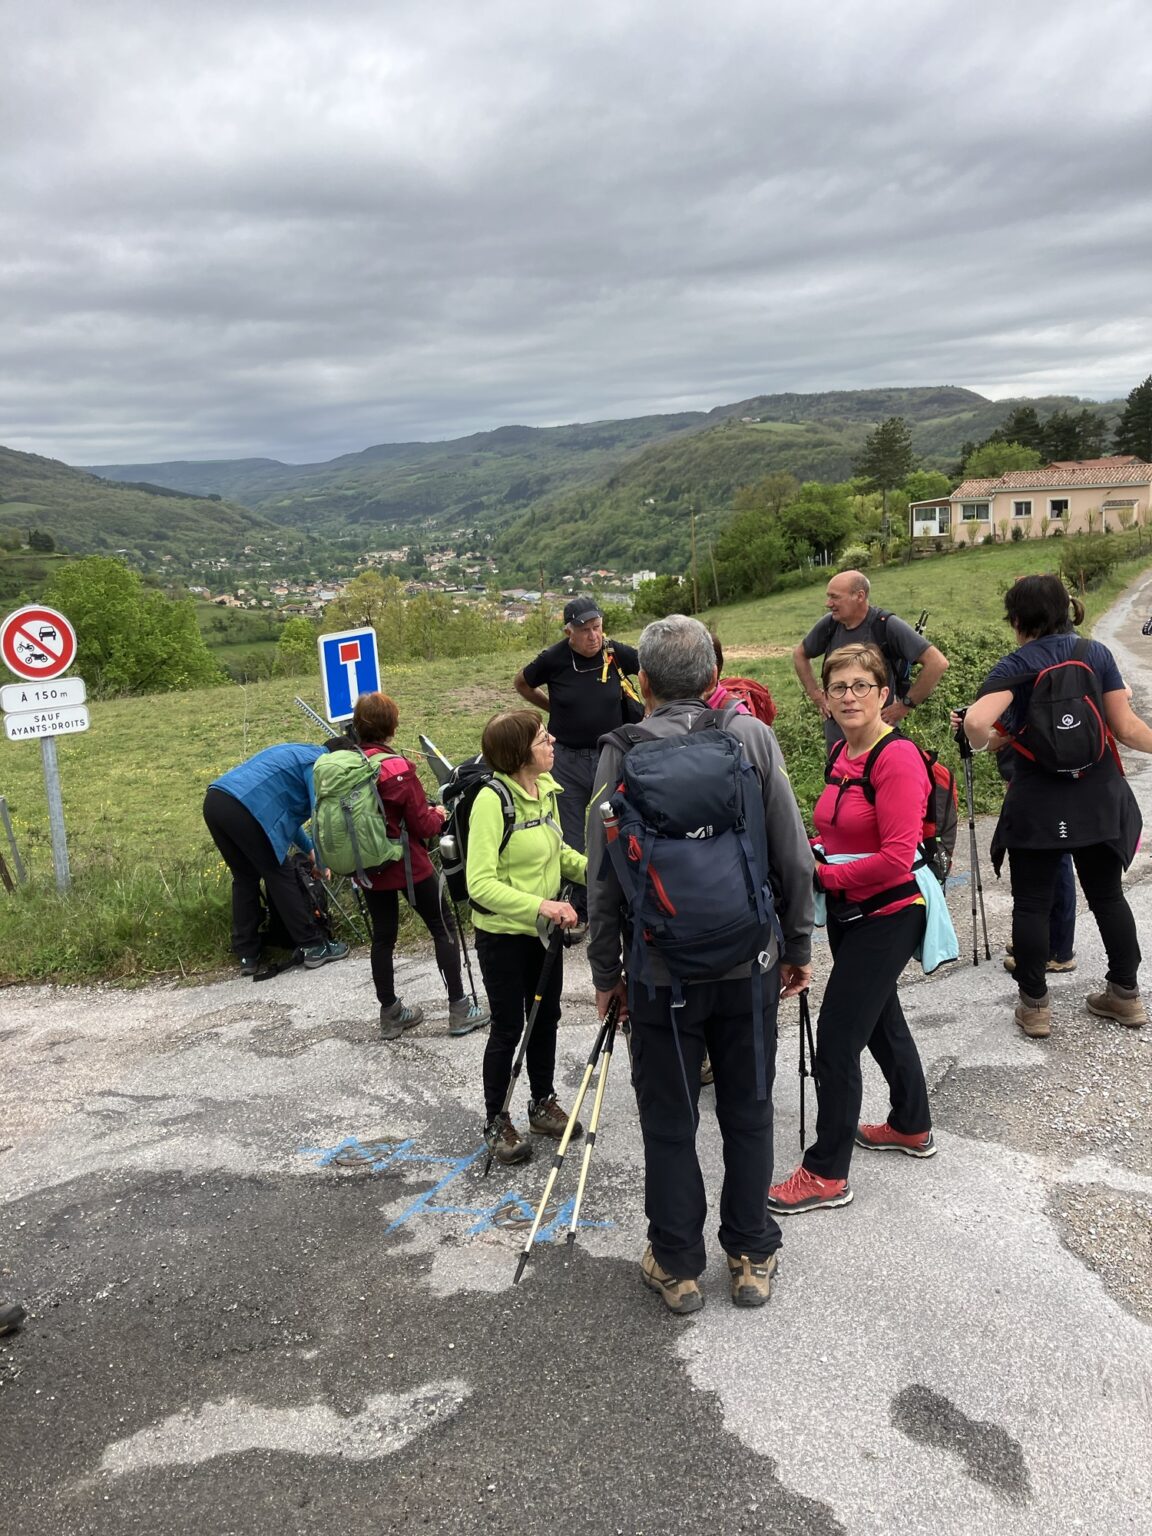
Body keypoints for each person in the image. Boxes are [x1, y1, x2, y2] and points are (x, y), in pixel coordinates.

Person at [586, 615, 813, 1314]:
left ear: (643, 683)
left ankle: (678, 1264)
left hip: (660, 973)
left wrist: (605, 974)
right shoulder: (751, 737)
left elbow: (602, 878)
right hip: (750, 963)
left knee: (669, 1119)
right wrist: (797, 946)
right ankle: (750, 1253)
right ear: (714, 676)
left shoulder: (621, 750)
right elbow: (792, 854)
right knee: (748, 1109)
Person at [768, 642, 937, 1217]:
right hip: (851, 914)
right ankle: (911, 1124)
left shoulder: (896, 758)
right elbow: (841, 832)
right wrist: (812, 852)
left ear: (884, 693)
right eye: (838, 686)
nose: (848, 697)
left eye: (861, 685)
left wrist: (817, 875)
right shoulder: (843, 751)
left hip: (889, 914)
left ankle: (826, 1172)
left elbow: (896, 858)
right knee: (882, 1021)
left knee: (837, 1040)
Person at [957, 575, 1152, 1037]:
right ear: (1066, 611)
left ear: (1018, 620)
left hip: (1037, 800)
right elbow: (1125, 728)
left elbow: (979, 723)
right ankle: (1125, 995)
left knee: (1030, 904)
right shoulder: (1095, 654)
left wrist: (981, 740)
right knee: (1107, 897)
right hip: (1097, 794)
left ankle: (1035, 1007)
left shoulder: (1017, 664)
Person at [466, 709, 588, 1166]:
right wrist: (543, 905)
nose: (552, 741)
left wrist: (600, 870)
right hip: (503, 935)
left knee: (546, 1017)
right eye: (542, 738)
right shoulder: (490, 801)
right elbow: (480, 884)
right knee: (508, 1026)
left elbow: (559, 853)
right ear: (519, 754)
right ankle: (496, 1120)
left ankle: (541, 1104)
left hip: (544, 934)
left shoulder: (546, 791)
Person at [345, 694, 490, 1041]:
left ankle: (390, 1014)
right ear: (392, 726)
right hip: (407, 864)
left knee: (383, 937)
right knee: (443, 928)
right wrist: (438, 815)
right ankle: (459, 1009)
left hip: (369, 865)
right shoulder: (396, 767)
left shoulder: (349, 764)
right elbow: (422, 826)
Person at [514, 599, 640, 923]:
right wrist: (551, 707)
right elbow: (522, 682)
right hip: (566, 761)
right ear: (568, 631)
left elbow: (649, 669)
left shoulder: (613, 652)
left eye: (597, 628)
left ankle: (621, 900)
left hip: (609, 757)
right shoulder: (554, 658)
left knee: (616, 828)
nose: (593, 636)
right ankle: (579, 910)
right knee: (569, 838)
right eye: (584, 630)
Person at [203, 743, 349, 974]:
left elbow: (286, 818)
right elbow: (318, 815)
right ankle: (313, 946)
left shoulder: (298, 753)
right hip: (245, 808)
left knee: (245, 878)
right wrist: (322, 863)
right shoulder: (317, 764)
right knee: (280, 873)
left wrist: (311, 850)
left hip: (216, 802)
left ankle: (247, 955)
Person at [793, 570, 949, 747]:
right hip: (838, 736)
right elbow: (800, 654)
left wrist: (904, 706)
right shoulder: (831, 624)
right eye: (829, 597)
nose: (828, 604)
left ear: (859, 596)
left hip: (877, 736)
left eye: (835, 597)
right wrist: (817, 696)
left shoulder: (885, 625)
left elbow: (937, 663)